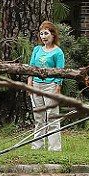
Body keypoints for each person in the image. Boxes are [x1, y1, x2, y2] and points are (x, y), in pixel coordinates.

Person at [27, 20, 66, 152]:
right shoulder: (37, 49)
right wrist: (29, 83)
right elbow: (31, 68)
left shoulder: (58, 52)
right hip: (36, 85)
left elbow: (60, 71)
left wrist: (57, 86)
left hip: (51, 86)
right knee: (39, 117)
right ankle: (37, 146)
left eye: (46, 33)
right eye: (41, 34)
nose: (43, 36)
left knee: (52, 116)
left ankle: (54, 148)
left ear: (53, 35)